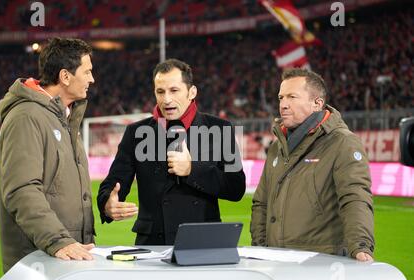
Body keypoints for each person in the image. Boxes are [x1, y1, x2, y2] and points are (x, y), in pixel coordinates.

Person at [97, 58, 246, 245]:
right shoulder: (136, 132)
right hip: (153, 243)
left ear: (192, 92)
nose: (166, 99)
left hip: (203, 241)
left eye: (174, 90)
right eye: (160, 92)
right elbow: (113, 182)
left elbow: (236, 188)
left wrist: (193, 170)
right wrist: (107, 204)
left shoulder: (220, 129)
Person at [250, 68, 375, 262]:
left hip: (321, 261)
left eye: (292, 97)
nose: (283, 104)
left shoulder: (342, 142)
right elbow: (261, 203)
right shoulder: (277, 146)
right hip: (275, 260)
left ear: (317, 104)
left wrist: (360, 245)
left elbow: (354, 196)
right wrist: (259, 246)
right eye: (281, 97)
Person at [0, 38, 96, 272]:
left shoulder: (64, 118)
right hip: (41, 260)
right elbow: (22, 189)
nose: (92, 79)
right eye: (88, 71)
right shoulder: (26, 117)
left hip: (68, 256)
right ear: (65, 76)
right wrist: (57, 240)